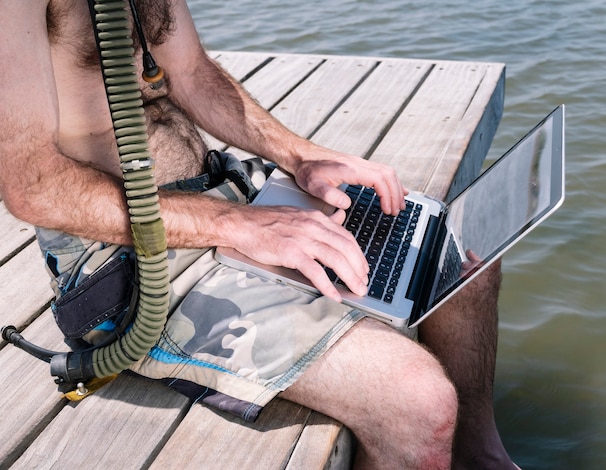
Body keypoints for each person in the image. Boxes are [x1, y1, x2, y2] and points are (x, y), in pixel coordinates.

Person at [0, 1, 518, 468]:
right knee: (417, 401)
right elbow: (34, 186)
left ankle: (482, 456)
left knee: (462, 265)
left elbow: (191, 71)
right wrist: (239, 226)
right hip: (124, 253)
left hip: (221, 194)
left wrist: (300, 155)